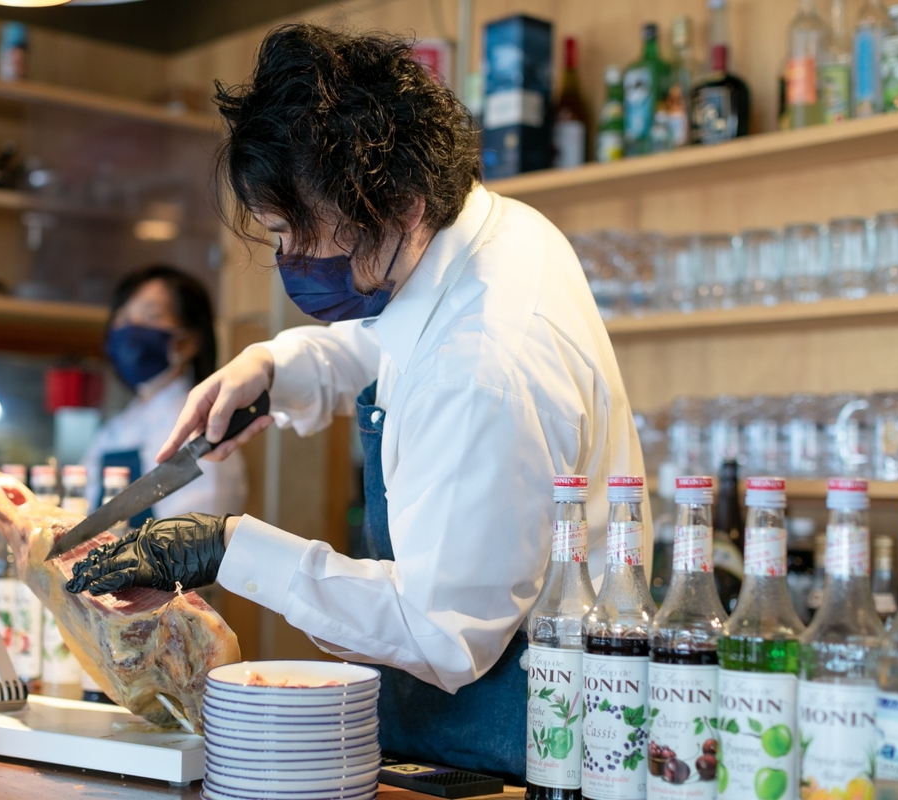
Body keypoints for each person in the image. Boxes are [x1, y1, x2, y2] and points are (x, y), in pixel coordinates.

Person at [67, 25, 646, 782]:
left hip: (521, 741)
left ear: (400, 206)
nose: (288, 263)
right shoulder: (487, 232)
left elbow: (440, 633)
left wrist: (229, 547)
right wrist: (274, 368)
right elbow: (394, 338)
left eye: (293, 234)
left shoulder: (482, 367)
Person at [82, 265, 246, 525]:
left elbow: (196, 537)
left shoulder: (201, 430)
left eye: (151, 316)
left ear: (188, 342)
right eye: (123, 318)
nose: (131, 329)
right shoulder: (115, 428)